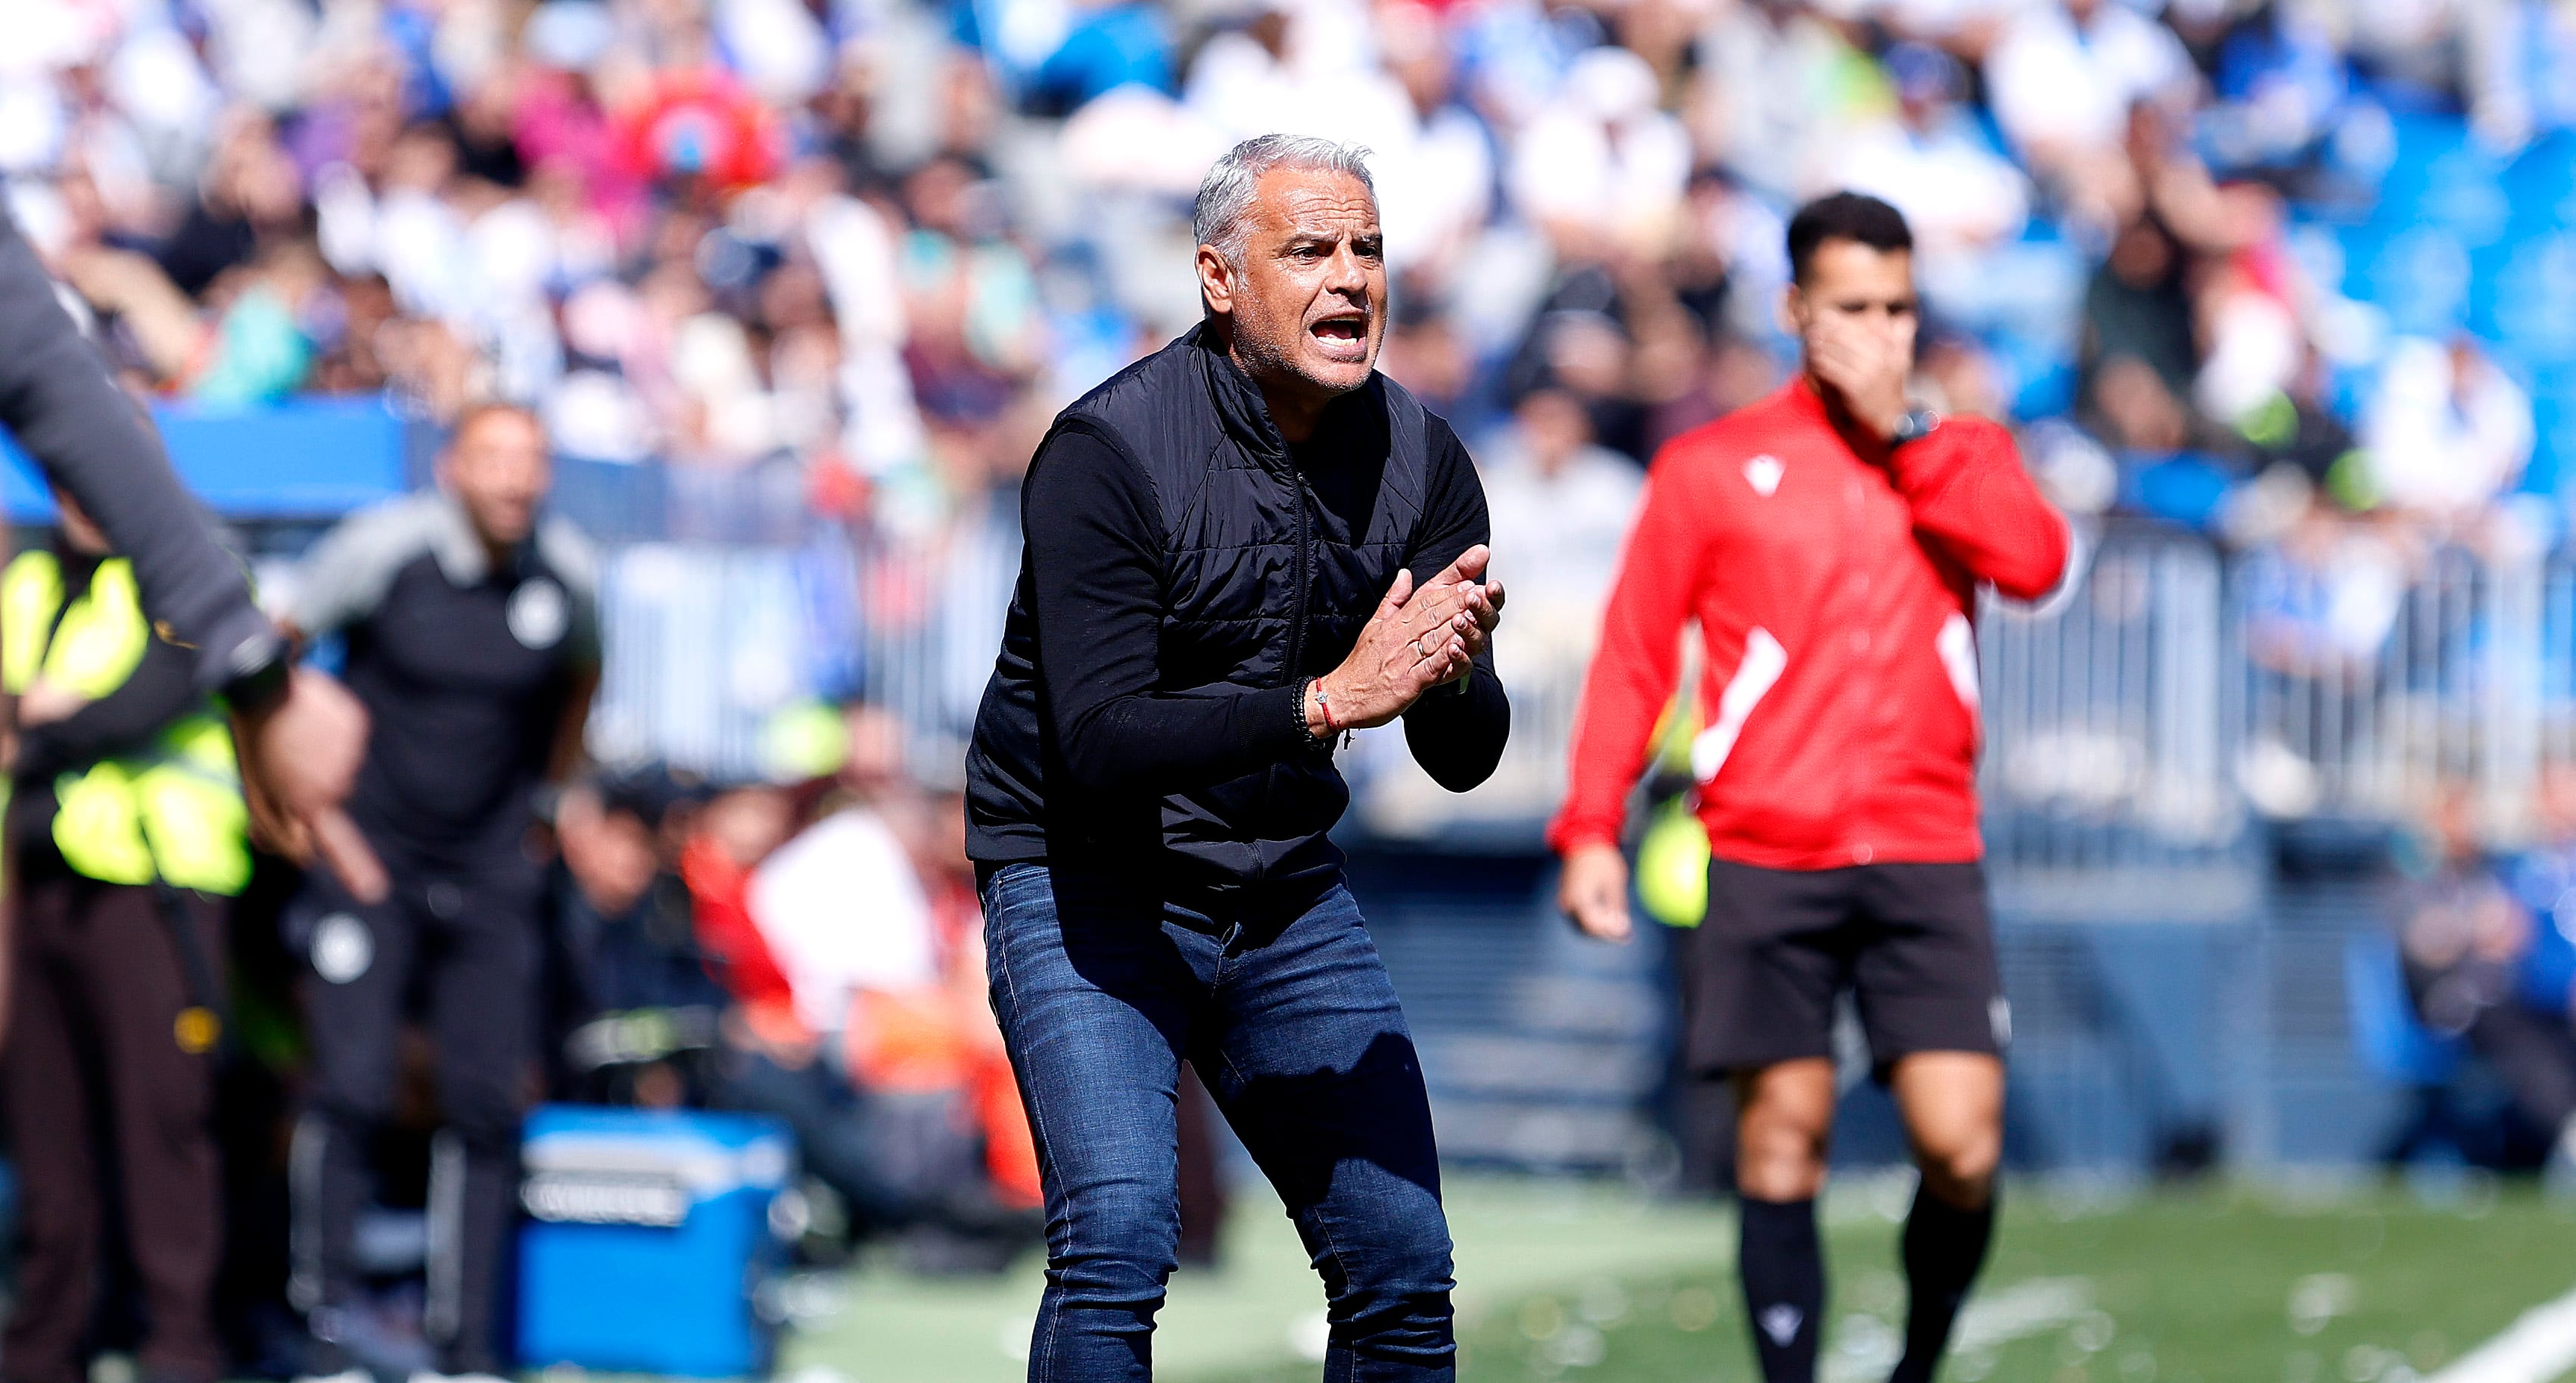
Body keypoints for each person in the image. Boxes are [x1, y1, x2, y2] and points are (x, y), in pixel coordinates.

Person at [963, 133, 1510, 1381]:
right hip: (1082, 873)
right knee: (1115, 1243)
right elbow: (1096, 744)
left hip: (1277, 884)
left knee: (1400, 1265)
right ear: (1218, 278)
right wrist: (1325, 702)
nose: (1350, 277)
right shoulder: (1105, 450)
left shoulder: (1424, 459)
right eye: (1309, 249)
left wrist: (1455, 671)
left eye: (1367, 249)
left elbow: (1464, 759)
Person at [1551, 192, 2069, 1383]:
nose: (1879, 330)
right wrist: (1590, 827)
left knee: (1962, 1143)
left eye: (1898, 307)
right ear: (1796, 310)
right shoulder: (1713, 466)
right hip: (1767, 850)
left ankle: (1917, 1360)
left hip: (1926, 845)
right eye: (1852, 306)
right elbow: (1635, 652)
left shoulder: (1964, 452)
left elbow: (2035, 561)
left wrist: (1913, 433)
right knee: (1780, 1144)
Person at [275, 402, 601, 1381]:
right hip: (371, 855)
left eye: (531, 461)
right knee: (353, 1084)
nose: (514, 480)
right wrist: (298, 790)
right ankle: (322, 1325)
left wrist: (546, 804)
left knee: (486, 1100)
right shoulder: (386, 551)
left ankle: (464, 1348)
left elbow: (582, 682)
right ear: (454, 466)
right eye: (494, 458)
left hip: (492, 867)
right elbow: (274, 647)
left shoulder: (567, 574)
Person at [0, 207, 375, 906]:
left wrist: (240, 648)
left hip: (151, 877)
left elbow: (40, 362)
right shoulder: (32, 574)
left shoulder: (170, 582)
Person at [1, 485, 251, 1383]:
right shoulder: (29, 579)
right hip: (40, 886)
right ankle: (43, 1349)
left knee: (164, 1128)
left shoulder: (191, 576)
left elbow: (159, 689)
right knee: (46, 1137)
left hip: (153, 889)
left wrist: (38, 724)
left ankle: (180, 1345)